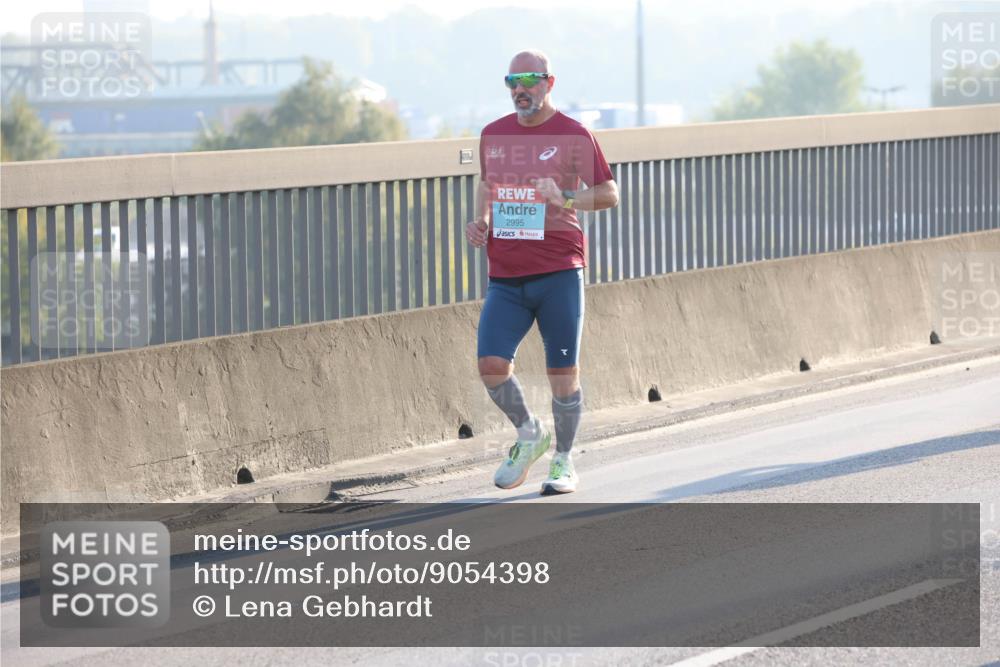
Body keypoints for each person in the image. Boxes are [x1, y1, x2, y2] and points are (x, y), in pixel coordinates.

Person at [466, 49, 619, 495]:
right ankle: (530, 433)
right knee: (491, 365)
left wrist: (566, 197)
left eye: (530, 80)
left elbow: (609, 193)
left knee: (562, 376)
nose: (520, 89)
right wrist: (482, 223)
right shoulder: (493, 135)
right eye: (512, 81)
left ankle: (565, 460)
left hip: (558, 270)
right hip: (506, 275)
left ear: (549, 83)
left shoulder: (573, 134)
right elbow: (487, 185)